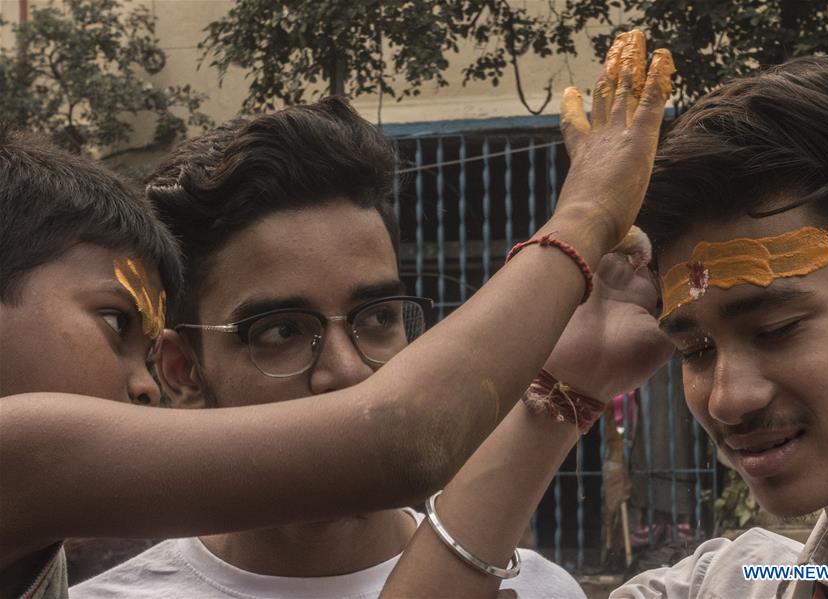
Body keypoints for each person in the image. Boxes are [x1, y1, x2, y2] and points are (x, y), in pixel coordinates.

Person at [0, 35, 674, 598]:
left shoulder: (540, 587)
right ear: (184, 370)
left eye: (378, 317)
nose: (349, 370)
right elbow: (402, 436)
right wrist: (583, 220)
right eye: (282, 331)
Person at [381, 55, 828, 599]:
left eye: (778, 329)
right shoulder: (741, 582)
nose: (726, 400)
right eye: (695, 349)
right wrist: (567, 390)